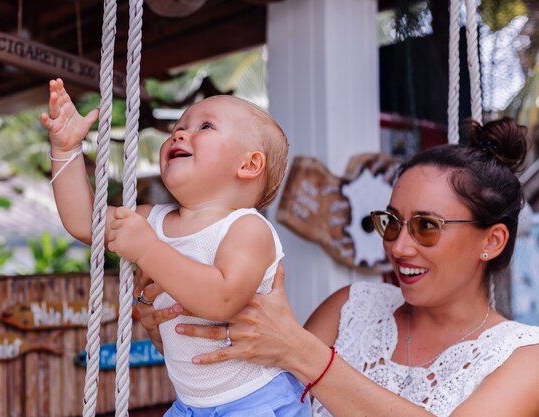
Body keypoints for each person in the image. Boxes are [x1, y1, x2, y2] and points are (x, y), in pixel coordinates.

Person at [135, 117, 539, 417]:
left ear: (492, 240)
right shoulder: (351, 306)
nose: (398, 246)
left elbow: (296, 355)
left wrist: (307, 355)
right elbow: (256, 392)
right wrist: (172, 329)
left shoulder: (524, 358)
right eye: (391, 222)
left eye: (426, 227)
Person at [41, 78, 312, 416]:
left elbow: (222, 299)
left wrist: (148, 251)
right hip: (190, 405)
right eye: (179, 127)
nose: (179, 134)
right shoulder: (150, 221)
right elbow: (83, 222)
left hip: (255, 400)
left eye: (206, 126)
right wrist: (66, 149)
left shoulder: (247, 228)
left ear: (248, 165)